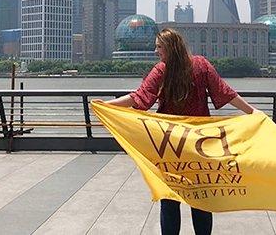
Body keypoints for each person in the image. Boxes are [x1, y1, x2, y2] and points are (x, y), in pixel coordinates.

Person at [103, 28, 255, 235]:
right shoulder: (201, 64)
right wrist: (253, 112)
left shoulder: (161, 70)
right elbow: (226, 93)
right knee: (201, 197)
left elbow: (138, 97)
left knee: (169, 199)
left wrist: (107, 105)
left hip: (170, 144)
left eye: (159, 47)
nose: (156, 51)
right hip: (199, 143)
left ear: (170, 48)